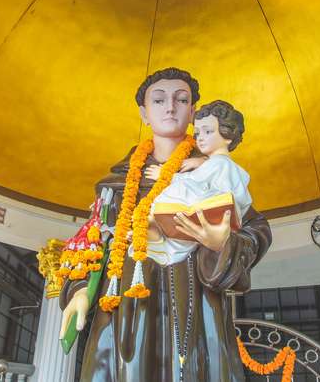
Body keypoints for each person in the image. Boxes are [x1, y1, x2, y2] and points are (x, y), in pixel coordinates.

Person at [58, 67, 271, 381]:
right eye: (158, 100)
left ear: (193, 111)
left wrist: (222, 243)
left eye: (181, 99)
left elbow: (257, 229)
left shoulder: (216, 172)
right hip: (126, 309)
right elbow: (93, 241)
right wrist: (79, 290)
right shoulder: (116, 185)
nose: (170, 107)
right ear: (144, 113)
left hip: (197, 307)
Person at [145, 100, 253, 267]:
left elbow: (219, 194)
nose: (200, 138)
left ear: (228, 136)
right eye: (197, 133)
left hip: (211, 216)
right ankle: (158, 238)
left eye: (208, 131)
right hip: (192, 223)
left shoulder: (222, 164)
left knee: (184, 188)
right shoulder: (209, 163)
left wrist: (166, 176)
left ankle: (160, 240)